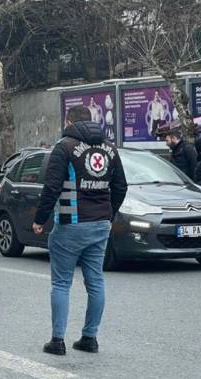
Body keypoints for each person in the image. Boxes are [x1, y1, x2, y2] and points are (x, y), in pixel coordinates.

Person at [33, 105, 127, 356]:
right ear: (92, 120)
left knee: (62, 283)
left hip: (70, 224)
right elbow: (121, 187)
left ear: (68, 120)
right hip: (99, 225)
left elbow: (51, 187)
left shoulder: (64, 147)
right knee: (95, 281)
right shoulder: (110, 149)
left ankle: (58, 340)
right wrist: (109, 214)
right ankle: (90, 337)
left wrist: (40, 219)